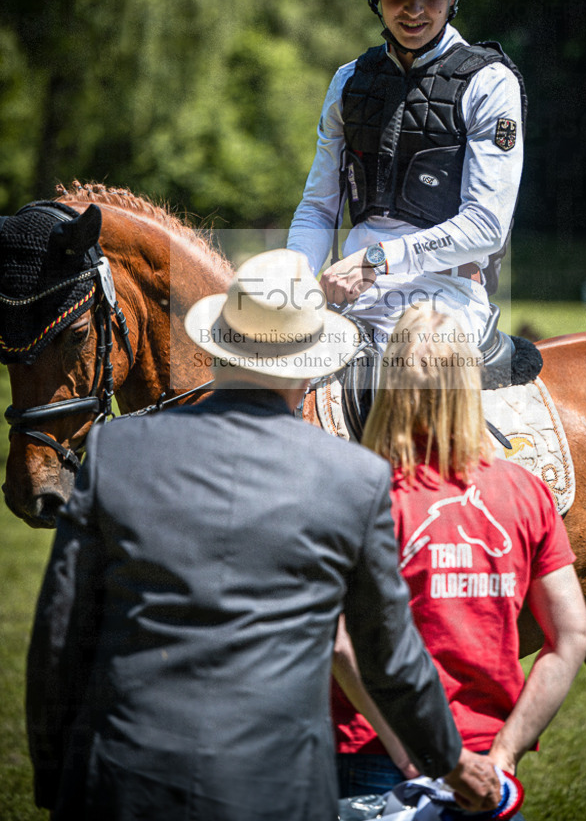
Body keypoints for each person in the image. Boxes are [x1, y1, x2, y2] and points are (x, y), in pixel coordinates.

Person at [25, 249, 502, 821]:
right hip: (274, 791)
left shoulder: (114, 452)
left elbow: (60, 635)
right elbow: (390, 657)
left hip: (120, 781)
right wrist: (450, 760)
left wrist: (56, 778)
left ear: (218, 347)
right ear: (309, 365)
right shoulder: (354, 478)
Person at [332, 304, 586, 813]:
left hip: (371, 751)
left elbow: (342, 645)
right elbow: (574, 637)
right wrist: (504, 754)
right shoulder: (527, 493)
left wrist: (411, 753)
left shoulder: (357, 493)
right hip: (485, 762)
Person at [287, 0, 526, 348]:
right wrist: (295, 275)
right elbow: (319, 208)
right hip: (350, 294)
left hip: (446, 302)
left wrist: (378, 259)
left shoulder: (490, 83)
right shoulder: (348, 81)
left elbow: (485, 226)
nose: (413, 10)